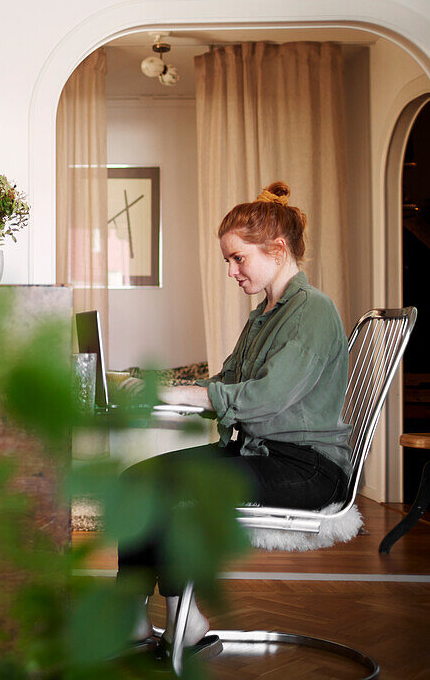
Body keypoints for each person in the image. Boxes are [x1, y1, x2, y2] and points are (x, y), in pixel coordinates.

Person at [119, 181, 351, 656]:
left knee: (171, 488)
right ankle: (132, 619)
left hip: (307, 467)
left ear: (278, 251)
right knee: (136, 478)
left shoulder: (312, 312)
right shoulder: (264, 314)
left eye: (237, 258)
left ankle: (186, 623)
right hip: (261, 453)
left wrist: (173, 391)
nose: (231, 270)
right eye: (228, 259)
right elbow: (226, 380)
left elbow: (265, 398)